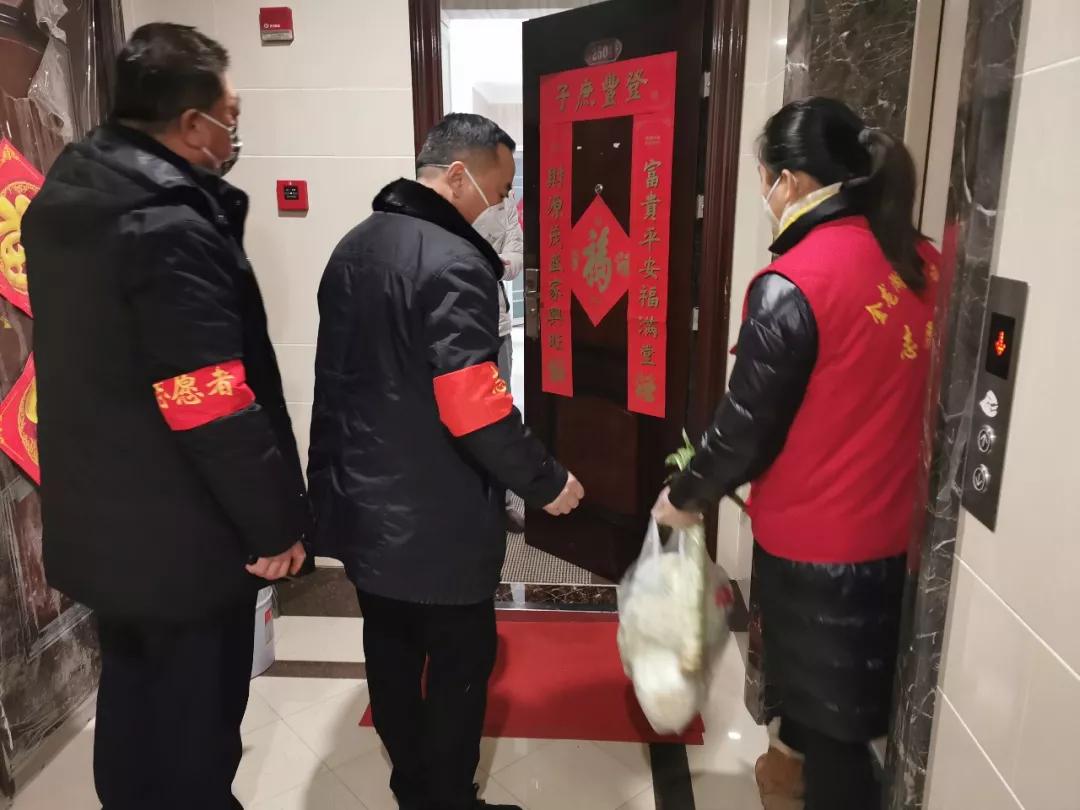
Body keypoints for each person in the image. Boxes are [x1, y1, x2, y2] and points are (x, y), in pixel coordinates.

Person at [23, 24, 308, 809]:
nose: (234, 133)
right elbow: (211, 403)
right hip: (183, 535)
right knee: (195, 726)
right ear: (191, 123)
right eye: (230, 116)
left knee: (135, 705)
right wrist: (274, 526)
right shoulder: (168, 226)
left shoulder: (67, 200)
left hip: (107, 522)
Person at [652, 97, 939, 810]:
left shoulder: (794, 284)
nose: (765, 192)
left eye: (764, 176)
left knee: (836, 733)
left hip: (816, 547)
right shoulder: (924, 261)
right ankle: (786, 771)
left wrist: (684, 497)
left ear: (791, 181)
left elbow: (743, 429)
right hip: (899, 533)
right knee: (849, 706)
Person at [308, 112, 583, 810]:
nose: (503, 206)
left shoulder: (353, 245)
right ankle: (449, 798)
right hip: (435, 514)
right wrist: (546, 481)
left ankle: (412, 789)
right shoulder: (455, 262)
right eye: (501, 190)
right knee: (461, 663)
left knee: (391, 652)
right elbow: (474, 405)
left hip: (363, 504)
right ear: (458, 175)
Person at [473, 193, 526, 533]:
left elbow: (516, 257)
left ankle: (502, 502)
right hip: (452, 328)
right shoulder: (443, 198)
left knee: (500, 414)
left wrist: (489, 262)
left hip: (497, 328)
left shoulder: (503, 202)